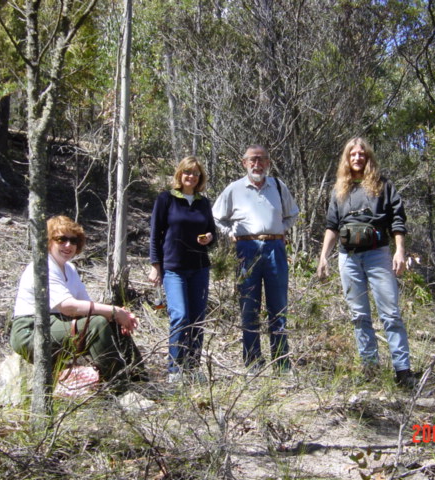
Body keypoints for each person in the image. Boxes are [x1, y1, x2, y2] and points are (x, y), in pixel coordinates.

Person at [316, 137, 416, 388]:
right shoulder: (340, 188)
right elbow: (332, 226)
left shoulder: (383, 186)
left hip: (378, 254)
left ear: (368, 157)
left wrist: (399, 251)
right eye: (353, 154)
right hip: (348, 258)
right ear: (347, 159)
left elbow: (397, 220)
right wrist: (323, 257)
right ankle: (370, 368)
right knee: (359, 314)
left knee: (390, 312)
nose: (358, 158)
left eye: (362, 154)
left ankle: (403, 371)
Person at [11, 215, 146, 390]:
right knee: (97, 324)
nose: (68, 245)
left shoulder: (70, 269)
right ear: (49, 241)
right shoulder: (43, 267)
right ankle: (118, 388)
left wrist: (120, 315)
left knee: (108, 322)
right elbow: (69, 307)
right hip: (30, 330)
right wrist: (114, 311)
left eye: (73, 240)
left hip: (56, 324)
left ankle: (140, 381)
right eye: (61, 239)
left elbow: (87, 306)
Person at [212, 145, 299, 373]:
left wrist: (279, 231)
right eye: (252, 160)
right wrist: (231, 233)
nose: (257, 164)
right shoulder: (234, 189)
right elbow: (216, 216)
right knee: (248, 306)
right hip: (246, 249)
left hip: (275, 250)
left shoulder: (278, 186)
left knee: (278, 307)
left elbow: (293, 214)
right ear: (244, 163)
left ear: (268, 163)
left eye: (261, 160)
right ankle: (253, 362)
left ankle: (281, 364)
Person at [148, 156, 216, 383]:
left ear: (200, 178)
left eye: (196, 174)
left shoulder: (203, 203)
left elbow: (212, 233)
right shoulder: (166, 199)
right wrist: (155, 267)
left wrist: (209, 238)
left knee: (197, 318)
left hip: (199, 268)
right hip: (173, 268)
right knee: (180, 316)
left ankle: (193, 367)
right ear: (180, 174)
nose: (191, 177)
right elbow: (155, 234)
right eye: (188, 172)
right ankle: (175, 369)